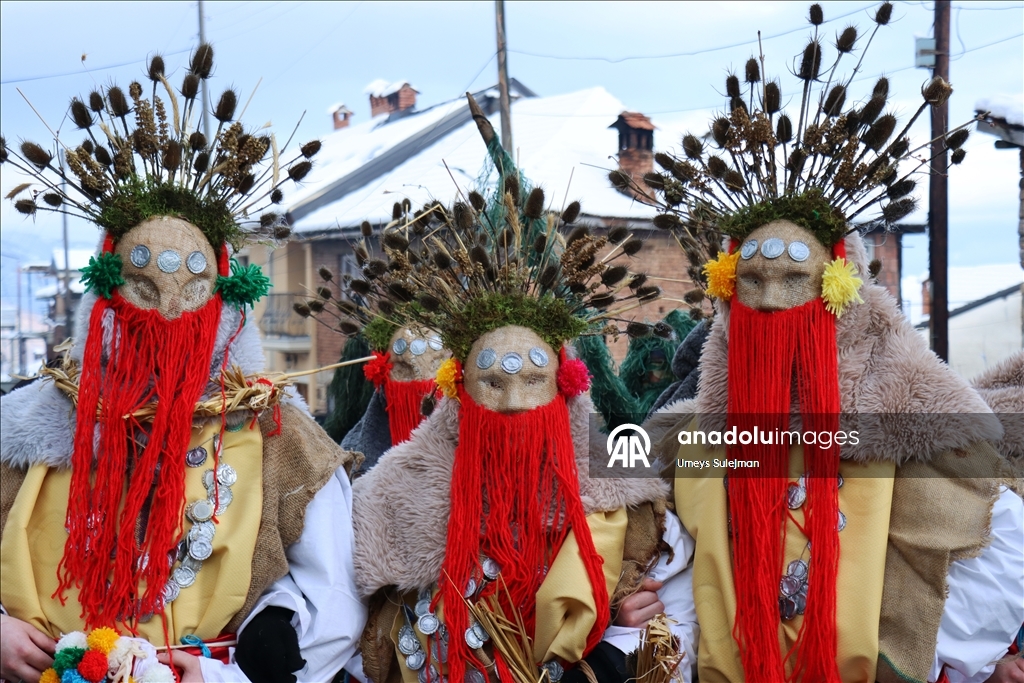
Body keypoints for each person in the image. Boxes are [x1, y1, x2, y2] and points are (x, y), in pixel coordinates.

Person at [630, 3, 1024, 681]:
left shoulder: (915, 412)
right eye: (753, 281)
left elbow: (995, 540)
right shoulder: (692, 441)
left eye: (796, 281)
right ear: (725, 292)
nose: (775, 301)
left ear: (839, 290)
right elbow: (668, 579)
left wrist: (916, 661)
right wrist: (650, 638)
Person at [0, 45, 365, 683]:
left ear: (224, 304)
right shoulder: (26, 423)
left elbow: (333, 604)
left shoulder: (281, 436)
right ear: (105, 295)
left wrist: (232, 677)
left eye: (189, 297)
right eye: (141, 293)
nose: (166, 321)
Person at [346, 93, 671, 683]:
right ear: (458, 387)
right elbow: (357, 637)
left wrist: (617, 632)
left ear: (567, 384)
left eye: (533, 379)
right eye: (491, 382)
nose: (516, 402)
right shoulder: (388, 495)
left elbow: (665, 623)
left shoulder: (625, 495)